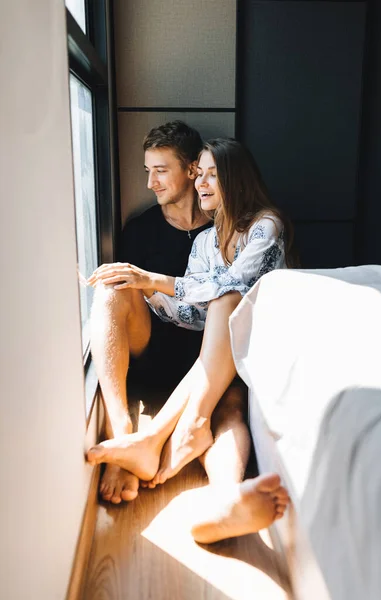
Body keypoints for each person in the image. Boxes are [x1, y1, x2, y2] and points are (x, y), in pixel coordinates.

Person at [87, 139, 294, 534]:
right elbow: (192, 312)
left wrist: (156, 280)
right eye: (201, 174)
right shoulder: (205, 240)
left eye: (213, 175)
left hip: (257, 348)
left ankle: (178, 459)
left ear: (237, 178)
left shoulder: (266, 225)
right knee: (225, 398)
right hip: (215, 346)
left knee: (229, 306)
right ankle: (221, 495)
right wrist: (143, 290)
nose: (202, 183)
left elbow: (231, 287)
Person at [89, 120, 211, 504]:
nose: (150, 183)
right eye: (148, 171)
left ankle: (140, 451)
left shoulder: (227, 228)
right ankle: (121, 431)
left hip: (208, 359)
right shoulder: (141, 230)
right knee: (113, 288)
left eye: (161, 170)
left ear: (192, 170)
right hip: (151, 345)